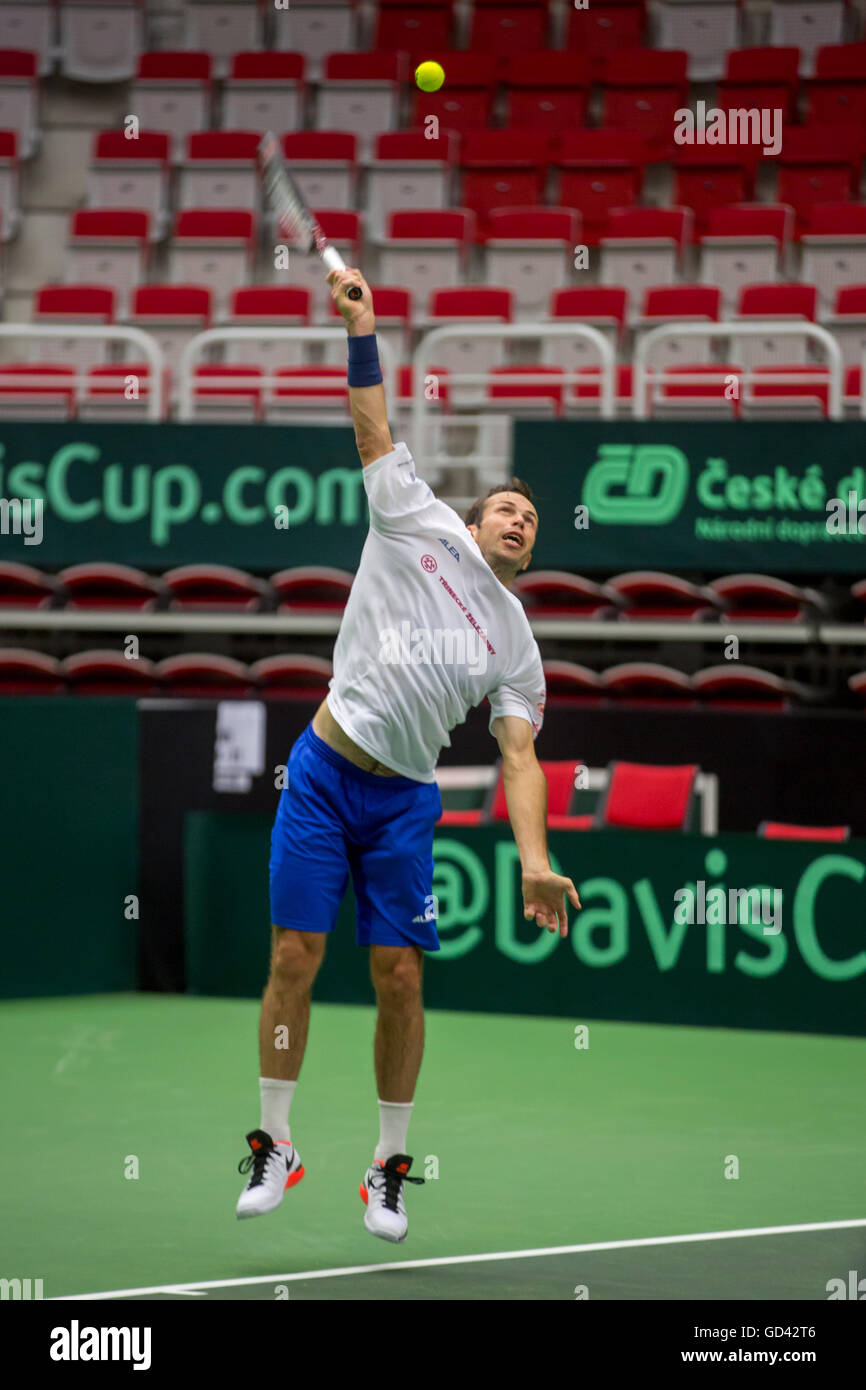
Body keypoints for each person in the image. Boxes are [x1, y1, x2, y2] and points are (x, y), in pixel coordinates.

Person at [236, 267, 582, 1243]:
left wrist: (533, 859)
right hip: (320, 774)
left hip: (402, 804)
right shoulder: (409, 515)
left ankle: (387, 1166)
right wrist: (363, 330)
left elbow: (517, 758)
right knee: (292, 956)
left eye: (532, 522)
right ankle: (275, 1142)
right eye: (507, 510)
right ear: (473, 522)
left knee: (398, 975)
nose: (519, 520)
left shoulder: (512, 639)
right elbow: (370, 423)